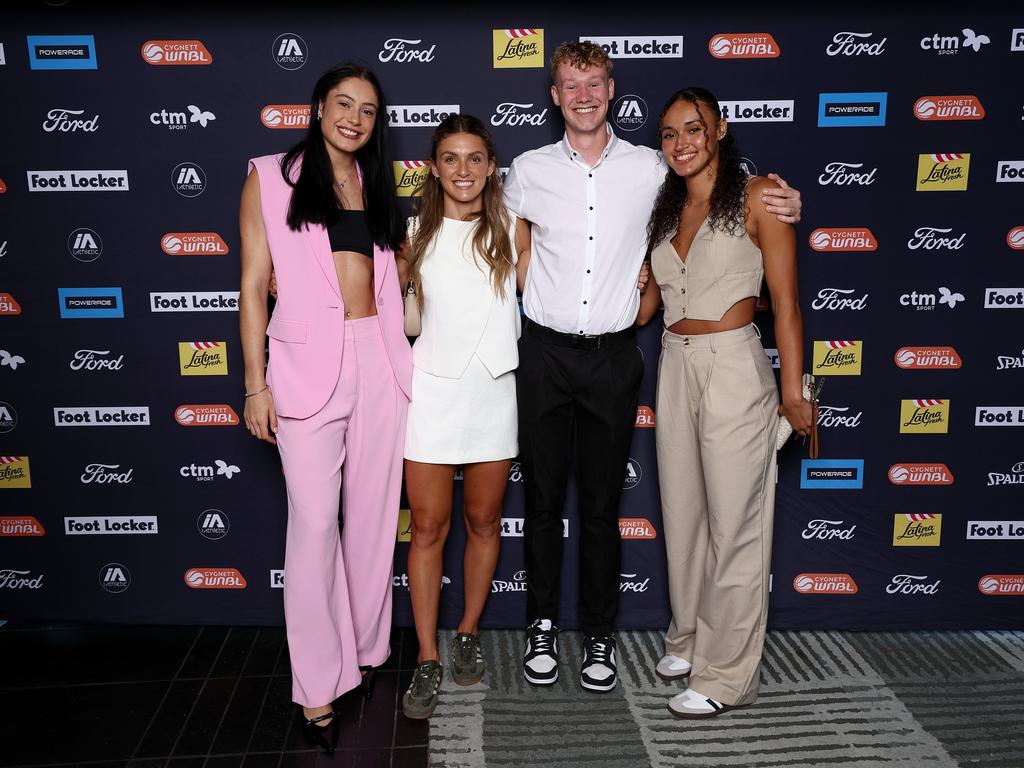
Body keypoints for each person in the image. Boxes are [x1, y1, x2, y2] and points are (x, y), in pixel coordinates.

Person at [502, 41, 802, 693]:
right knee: (547, 501)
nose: (582, 95)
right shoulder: (526, 170)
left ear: (612, 90)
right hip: (546, 353)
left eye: (594, 83)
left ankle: (602, 635)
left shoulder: (651, 169)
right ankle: (543, 626)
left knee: (604, 509)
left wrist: (784, 198)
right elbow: (497, 242)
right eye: (569, 84)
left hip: (616, 357)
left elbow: (719, 192)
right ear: (555, 96)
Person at [238, 62, 410, 752]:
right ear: (317, 108)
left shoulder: (376, 182)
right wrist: (255, 384)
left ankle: (365, 653)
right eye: (344, 105)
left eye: (368, 111)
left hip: (380, 358)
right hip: (306, 366)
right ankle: (315, 684)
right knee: (313, 525)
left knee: (372, 522)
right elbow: (253, 286)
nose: (355, 119)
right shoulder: (268, 176)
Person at [636, 86, 813, 718]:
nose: (681, 143)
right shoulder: (665, 210)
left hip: (735, 365)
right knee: (685, 515)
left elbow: (787, 303)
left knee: (736, 525)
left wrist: (794, 389)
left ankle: (728, 676)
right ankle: (689, 638)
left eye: (693, 129)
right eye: (668, 134)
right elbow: (646, 307)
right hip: (674, 365)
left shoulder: (761, 196)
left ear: (720, 129)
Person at [397, 114, 530, 719]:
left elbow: (566, 278)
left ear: (490, 165)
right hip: (431, 393)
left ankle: (469, 632)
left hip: (495, 390)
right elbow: (377, 304)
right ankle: (426, 655)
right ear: (433, 166)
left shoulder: (513, 227)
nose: (463, 170)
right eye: (450, 158)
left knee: (483, 522)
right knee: (427, 529)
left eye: (475, 158)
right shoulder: (413, 233)